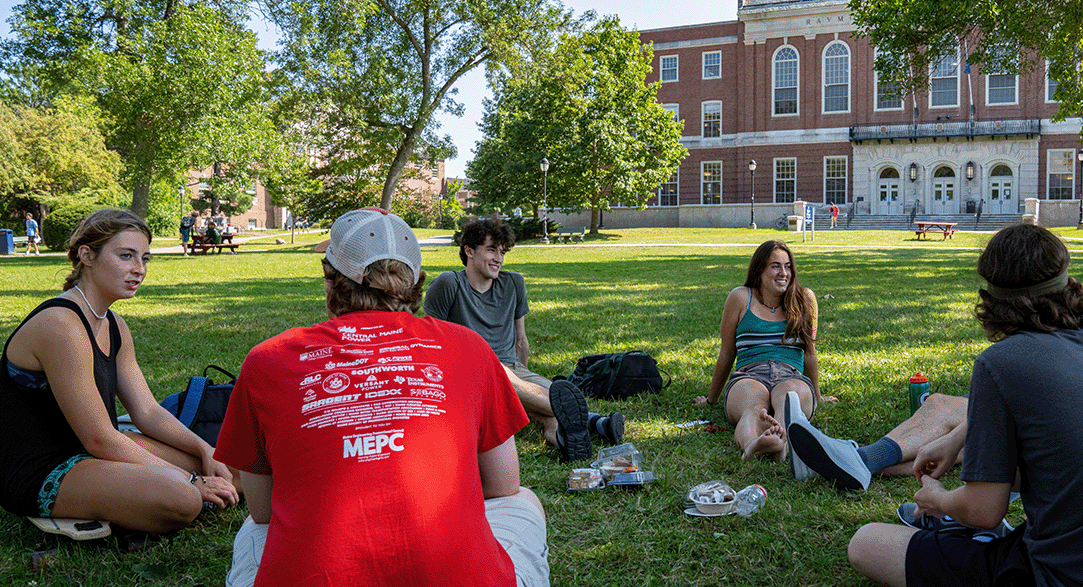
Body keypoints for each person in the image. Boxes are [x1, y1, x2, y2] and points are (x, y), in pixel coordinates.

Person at [840, 224, 1083, 587]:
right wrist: (955, 439)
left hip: (1070, 576)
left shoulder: (1002, 361)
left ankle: (961, 535)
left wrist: (940, 499)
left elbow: (984, 510)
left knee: (867, 542)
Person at [215, 208, 548, 587]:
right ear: (415, 281)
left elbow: (261, 510)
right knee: (523, 500)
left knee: (252, 531)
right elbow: (504, 484)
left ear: (330, 279)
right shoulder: (467, 347)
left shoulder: (267, 360)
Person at [788, 213, 1083, 490]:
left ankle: (855, 460)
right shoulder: (1077, 301)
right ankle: (855, 463)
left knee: (962, 435)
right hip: (1049, 405)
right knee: (945, 413)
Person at [0, 209, 238, 533]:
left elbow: (148, 411)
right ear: (87, 255)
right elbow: (98, 438)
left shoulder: (114, 325)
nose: (138, 269)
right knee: (184, 496)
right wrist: (192, 480)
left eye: (144, 258)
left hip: (96, 452)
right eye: (126, 256)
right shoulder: (61, 325)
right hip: (45, 468)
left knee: (232, 471)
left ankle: (131, 494)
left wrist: (205, 450)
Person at [424, 216, 624, 462]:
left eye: (502, 252)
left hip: (513, 370)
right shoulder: (448, 284)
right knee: (553, 400)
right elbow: (431, 344)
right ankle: (595, 422)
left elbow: (521, 341)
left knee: (555, 398)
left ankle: (559, 436)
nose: (498, 258)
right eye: (491, 250)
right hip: (467, 374)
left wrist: (523, 391)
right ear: (469, 251)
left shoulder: (514, 283)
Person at [694, 239, 834, 464]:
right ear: (760, 270)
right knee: (752, 406)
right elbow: (727, 353)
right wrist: (711, 399)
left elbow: (809, 353)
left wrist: (818, 395)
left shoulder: (804, 299)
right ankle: (752, 444)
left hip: (791, 375)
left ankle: (780, 445)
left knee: (789, 402)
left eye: (788, 266)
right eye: (775, 266)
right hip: (749, 375)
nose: (784, 273)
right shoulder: (740, 298)